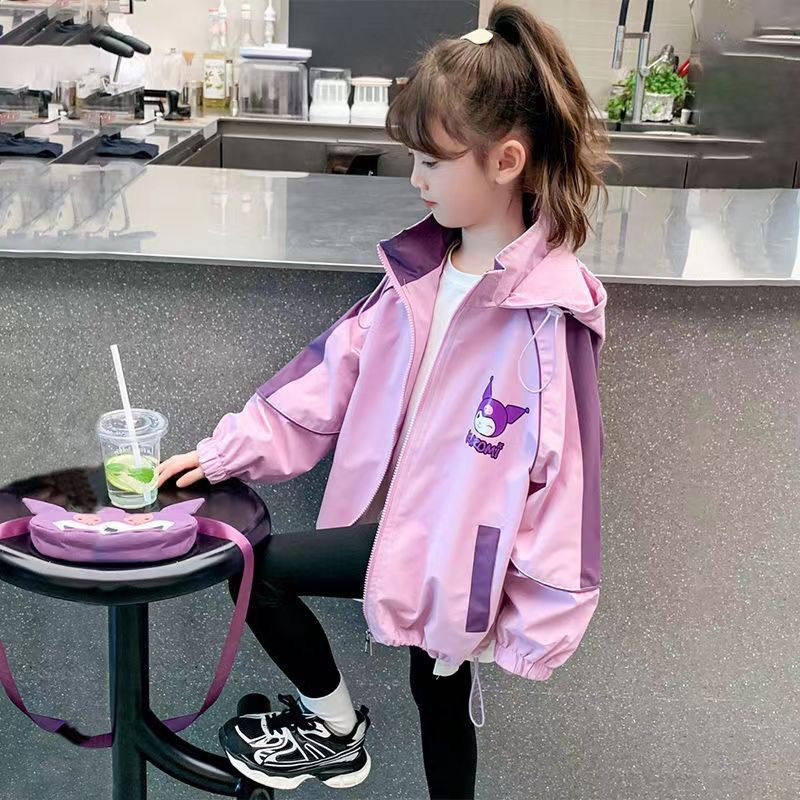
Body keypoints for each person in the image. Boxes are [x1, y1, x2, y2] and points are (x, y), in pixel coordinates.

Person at [156, 2, 613, 796]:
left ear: (506, 161)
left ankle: (340, 734)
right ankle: (336, 727)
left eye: (433, 160)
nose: (416, 179)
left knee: (438, 698)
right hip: (403, 534)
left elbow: (568, 478)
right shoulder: (416, 276)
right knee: (257, 571)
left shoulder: (550, 312)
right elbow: (323, 380)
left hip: (462, 560)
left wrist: (537, 617)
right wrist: (224, 453)